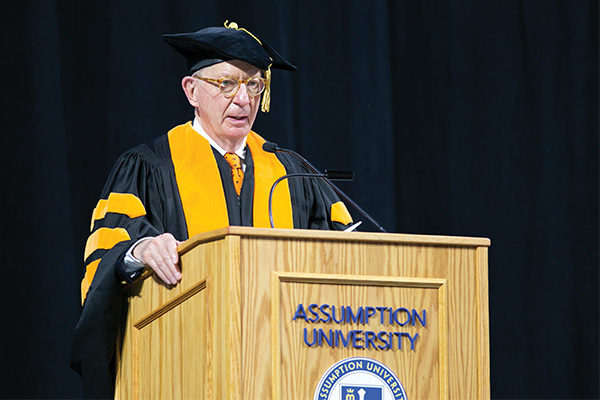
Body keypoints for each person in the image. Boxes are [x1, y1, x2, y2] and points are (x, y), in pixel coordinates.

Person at [70, 22, 353, 398]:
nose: (243, 100)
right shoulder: (148, 168)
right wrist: (136, 253)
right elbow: (104, 260)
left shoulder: (293, 173)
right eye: (227, 84)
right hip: (180, 368)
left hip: (286, 371)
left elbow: (347, 266)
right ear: (191, 91)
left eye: (254, 85)